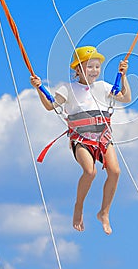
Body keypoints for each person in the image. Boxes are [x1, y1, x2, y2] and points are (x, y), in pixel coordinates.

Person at [30, 46, 131, 235]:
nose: (94, 70)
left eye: (97, 67)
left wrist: (123, 76)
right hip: (81, 138)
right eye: (89, 66)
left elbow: (126, 97)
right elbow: (50, 106)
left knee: (115, 171)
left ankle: (104, 212)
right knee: (90, 171)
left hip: (103, 137)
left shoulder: (102, 87)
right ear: (78, 69)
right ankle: (79, 207)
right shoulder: (67, 89)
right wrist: (38, 88)